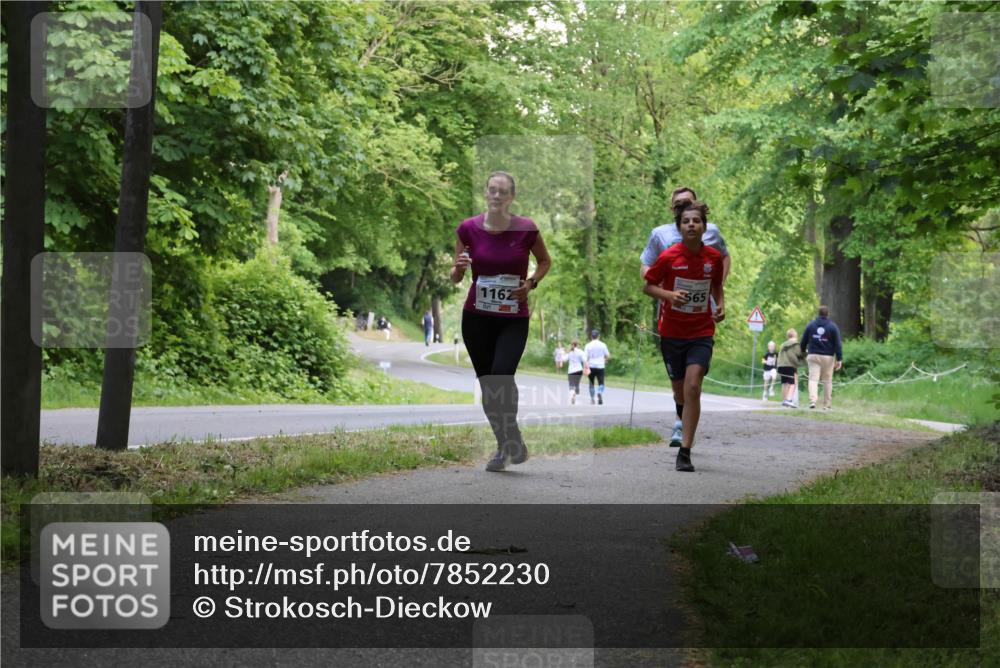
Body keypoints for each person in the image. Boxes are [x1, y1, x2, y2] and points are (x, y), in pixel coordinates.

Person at [451, 171, 551, 472]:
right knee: (487, 384)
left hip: (512, 318)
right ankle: (506, 444)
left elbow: (545, 261)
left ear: (511, 197)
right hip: (477, 318)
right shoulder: (467, 228)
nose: (496, 195)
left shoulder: (527, 229)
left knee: (501, 376)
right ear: (486, 193)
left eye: (502, 191)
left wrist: (531, 283)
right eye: (492, 190)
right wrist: (457, 268)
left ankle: (512, 438)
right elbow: (456, 277)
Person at [640, 186, 731, 445]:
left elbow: (722, 262)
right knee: (680, 387)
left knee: (693, 386)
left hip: (701, 322)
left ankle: (685, 442)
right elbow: (647, 272)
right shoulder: (661, 237)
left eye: (690, 203)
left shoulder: (712, 236)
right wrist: (665, 293)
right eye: (680, 206)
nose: (689, 218)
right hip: (670, 319)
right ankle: (681, 414)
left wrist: (718, 297)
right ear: (675, 213)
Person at [800, 305, 843, 410]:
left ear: (818, 314)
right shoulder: (833, 326)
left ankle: (812, 401)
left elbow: (803, 341)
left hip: (813, 355)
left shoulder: (811, 325)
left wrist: (803, 352)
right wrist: (839, 359)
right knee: (827, 380)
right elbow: (838, 344)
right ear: (828, 314)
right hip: (828, 357)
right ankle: (826, 404)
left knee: (813, 379)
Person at [776, 328, 804, 407]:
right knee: (792, 383)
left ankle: (784, 400)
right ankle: (789, 400)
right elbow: (799, 354)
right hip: (789, 366)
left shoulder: (783, 345)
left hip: (781, 366)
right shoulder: (795, 344)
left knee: (784, 383)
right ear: (795, 335)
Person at [584, 330, 610, 405]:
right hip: (600, 366)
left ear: (591, 336)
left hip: (591, 366)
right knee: (601, 382)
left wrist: (585, 367)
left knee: (591, 383)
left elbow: (585, 358)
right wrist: (605, 360)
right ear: (598, 336)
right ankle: (599, 392)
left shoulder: (588, 345)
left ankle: (592, 399)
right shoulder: (603, 345)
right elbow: (608, 355)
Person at [564, 340, 588, 405]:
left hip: (571, 371)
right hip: (579, 370)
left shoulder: (569, 352)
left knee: (571, 385)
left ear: (572, 345)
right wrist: (586, 368)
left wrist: (565, 352)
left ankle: (572, 394)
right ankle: (576, 392)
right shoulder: (580, 352)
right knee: (577, 384)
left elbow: (564, 359)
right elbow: (585, 360)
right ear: (577, 345)